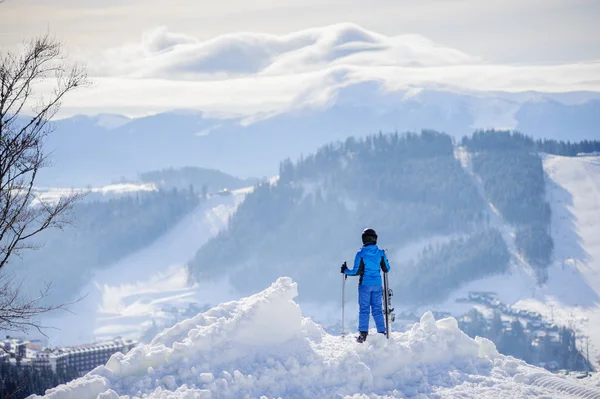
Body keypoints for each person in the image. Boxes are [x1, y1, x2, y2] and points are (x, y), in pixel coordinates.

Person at [341, 228, 391, 343]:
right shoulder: (380, 253)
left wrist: (345, 270)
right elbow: (386, 269)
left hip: (364, 285)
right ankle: (382, 333)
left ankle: (363, 335)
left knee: (364, 310)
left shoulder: (361, 253)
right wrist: (383, 259)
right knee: (377, 309)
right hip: (377, 285)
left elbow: (355, 271)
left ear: (363, 239)